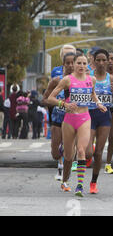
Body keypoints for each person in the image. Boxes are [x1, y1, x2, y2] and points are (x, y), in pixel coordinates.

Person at [47, 53, 107, 197]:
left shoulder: (91, 80)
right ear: (73, 64)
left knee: (81, 150)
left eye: (84, 63)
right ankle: (65, 179)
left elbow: (93, 94)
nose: (81, 66)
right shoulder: (67, 80)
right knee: (68, 156)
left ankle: (80, 185)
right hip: (69, 120)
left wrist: (98, 103)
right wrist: (64, 104)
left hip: (85, 118)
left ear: (87, 65)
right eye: (78, 63)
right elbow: (50, 98)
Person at [86, 49, 113, 194]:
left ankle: (93, 182)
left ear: (108, 62)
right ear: (93, 61)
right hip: (89, 115)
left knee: (99, 152)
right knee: (88, 152)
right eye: (97, 60)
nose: (100, 63)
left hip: (105, 117)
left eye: (103, 60)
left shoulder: (112, 79)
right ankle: (85, 149)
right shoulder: (88, 77)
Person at [42, 52, 76, 181]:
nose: (71, 65)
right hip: (57, 118)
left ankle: (62, 170)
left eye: (73, 62)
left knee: (69, 150)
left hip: (73, 119)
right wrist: (58, 103)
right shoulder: (56, 81)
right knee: (55, 153)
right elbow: (44, 100)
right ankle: (59, 159)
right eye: (68, 63)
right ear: (63, 64)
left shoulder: (80, 81)